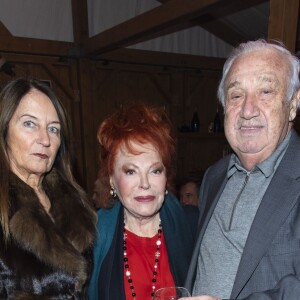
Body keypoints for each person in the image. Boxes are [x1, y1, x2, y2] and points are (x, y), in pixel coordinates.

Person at [182, 39, 300, 300]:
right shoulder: (214, 176)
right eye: (236, 95)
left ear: (292, 103)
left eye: (265, 92)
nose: (247, 110)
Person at [0, 78, 97, 299]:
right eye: (29, 124)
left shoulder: (75, 202)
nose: (45, 139)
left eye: (53, 129)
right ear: (4, 129)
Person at [87, 104, 194, 300]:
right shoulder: (91, 238)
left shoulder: (190, 225)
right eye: (131, 171)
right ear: (112, 179)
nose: (145, 184)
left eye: (155, 170)